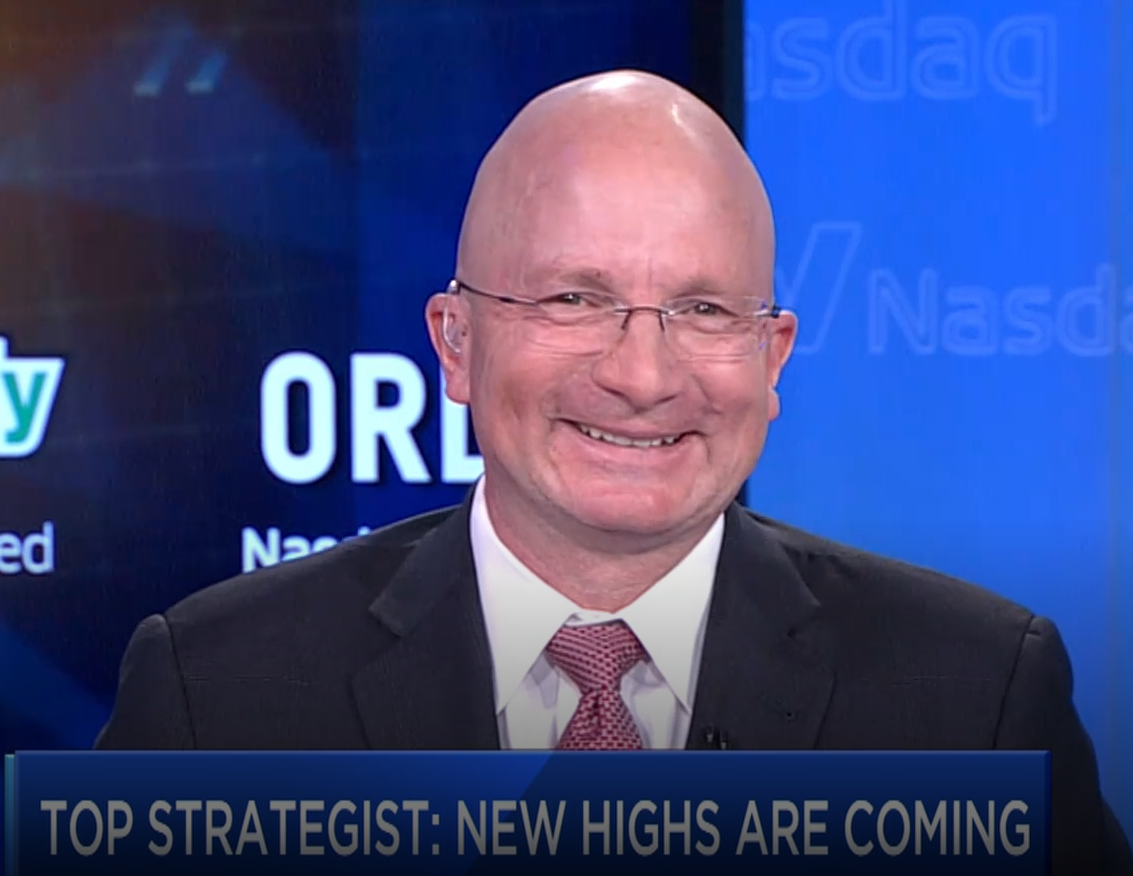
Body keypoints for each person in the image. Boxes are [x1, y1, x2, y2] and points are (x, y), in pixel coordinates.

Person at [97, 70, 1131, 872]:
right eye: (573, 300)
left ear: (771, 358)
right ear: (455, 343)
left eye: (703, 309)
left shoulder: (976, 705)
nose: (642, 375)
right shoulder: (216, 698)